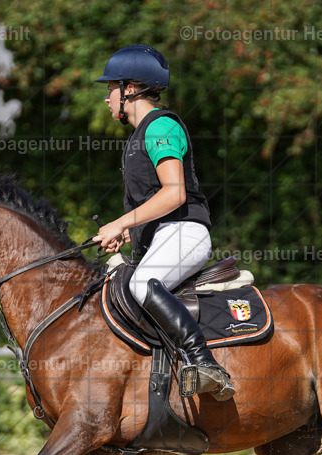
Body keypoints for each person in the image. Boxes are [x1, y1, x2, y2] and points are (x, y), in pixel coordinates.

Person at [91, 45, 234, 401]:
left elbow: (174, 194)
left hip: (186, 233)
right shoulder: (142, 134)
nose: (106, 97)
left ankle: (206, 365)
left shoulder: (161, 127)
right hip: (166, 236)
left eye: (109, 88)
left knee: (142, 284)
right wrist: (126, 229)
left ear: (130, 88)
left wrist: (119, 221)